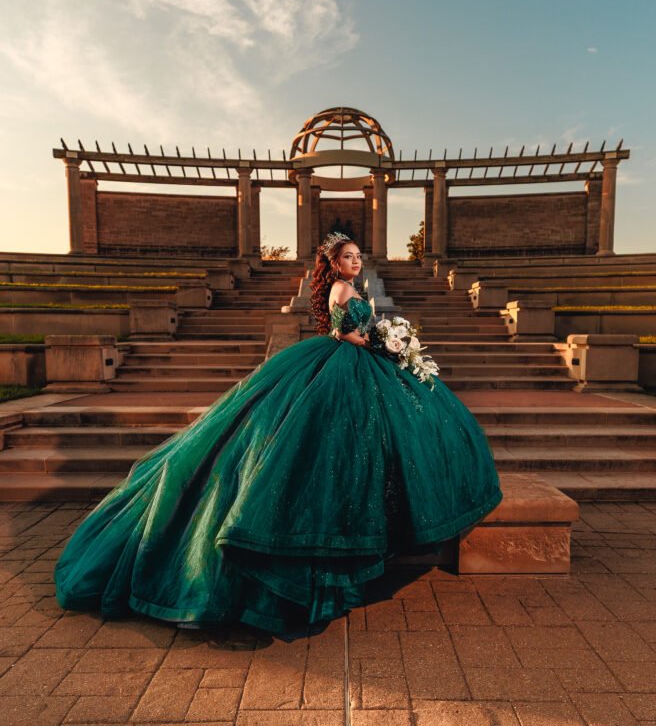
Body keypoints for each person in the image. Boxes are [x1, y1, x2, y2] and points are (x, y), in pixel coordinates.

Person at [53, 233, 502, 634]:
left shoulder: (356, 287)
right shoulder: (340, 290)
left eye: (358, 256)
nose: (356, 262)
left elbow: (359, 325)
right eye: (348, 257)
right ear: (334, 264)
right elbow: (344, 331)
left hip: (364, 362)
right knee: (326, 436)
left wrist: (387, 341)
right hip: (342, 361)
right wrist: (382, 343)